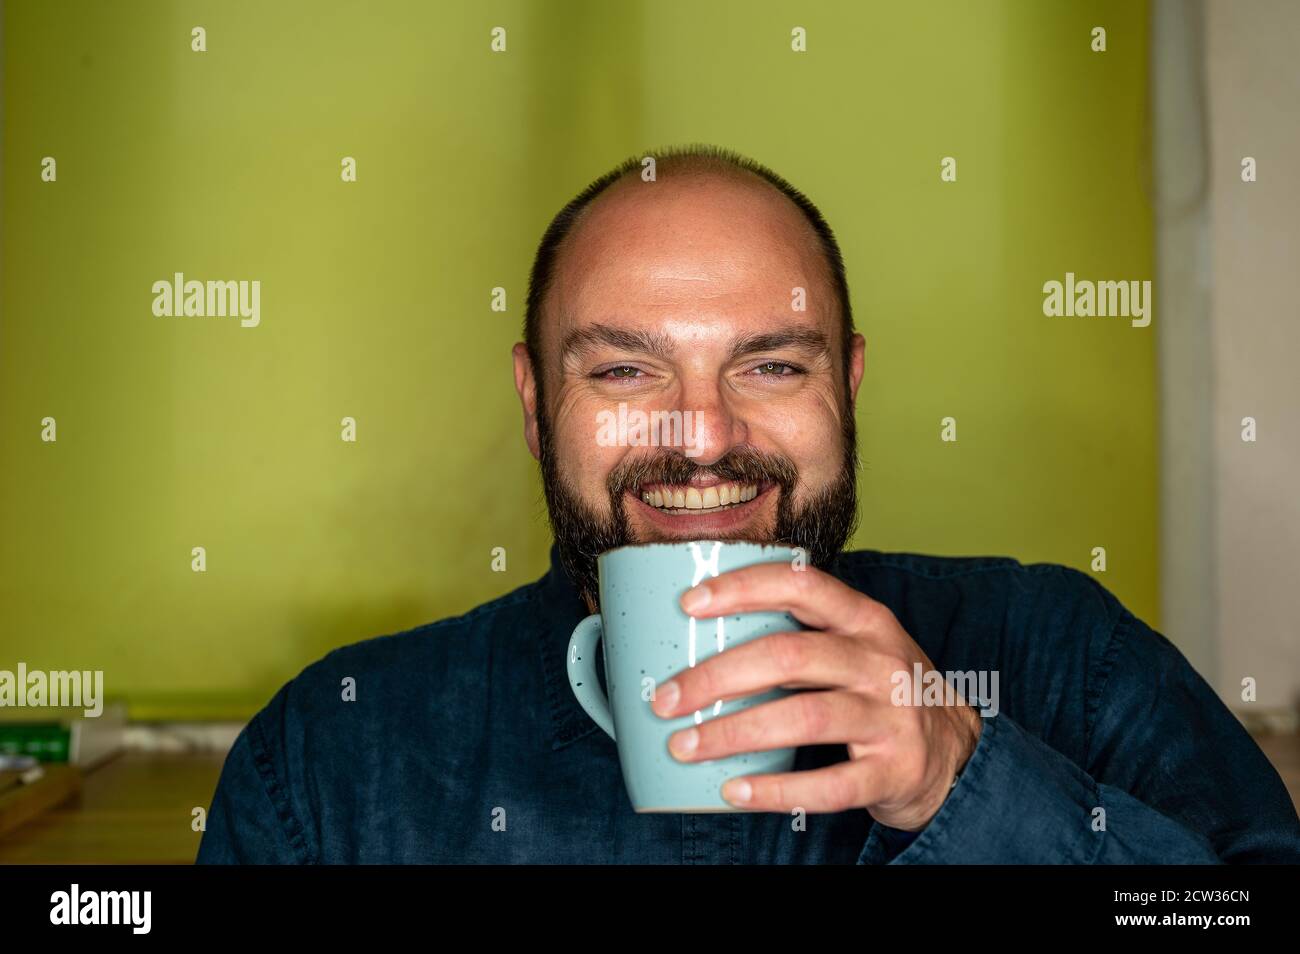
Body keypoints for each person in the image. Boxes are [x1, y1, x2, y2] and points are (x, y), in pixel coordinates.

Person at [198, 146, 1300, 863]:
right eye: (624, 372)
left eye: (770, 367)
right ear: (537, 407)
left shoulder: (1061, 658)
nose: (703, 434)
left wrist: (975, 791)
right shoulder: (334, 760)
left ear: (847, 387)